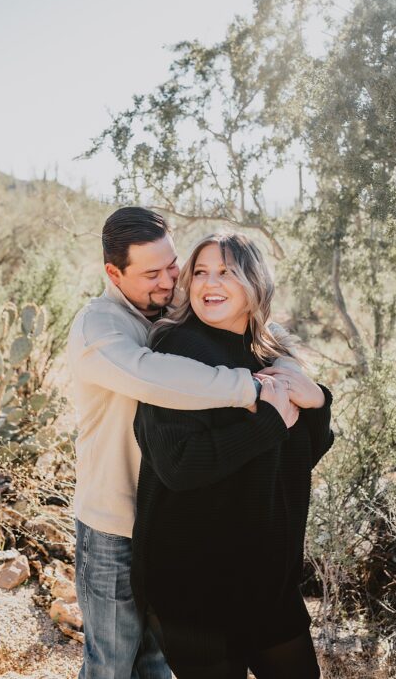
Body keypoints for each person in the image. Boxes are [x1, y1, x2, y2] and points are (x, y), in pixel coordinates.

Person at [66, 207, 309, 678]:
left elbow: (262, 330)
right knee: (112, 664)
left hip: (167, 530)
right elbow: (153, 376)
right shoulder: (100, 328)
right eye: (152, 273)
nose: (169, 281)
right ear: (114, 273)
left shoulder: (173, 307)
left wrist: (300, 380)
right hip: (114, 524)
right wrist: (256, 389)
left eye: (174, 265)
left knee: (158, 664)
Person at [131, 232, 333, 679]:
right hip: (196, 587)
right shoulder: (178, 350)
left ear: (255, 281)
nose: (209, 283)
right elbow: (177, 466)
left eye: (226, 271)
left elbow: (297, 458)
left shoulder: (269, 352)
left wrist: (319, 402)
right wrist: (267, 423)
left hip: (268, 586)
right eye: (200, 272)